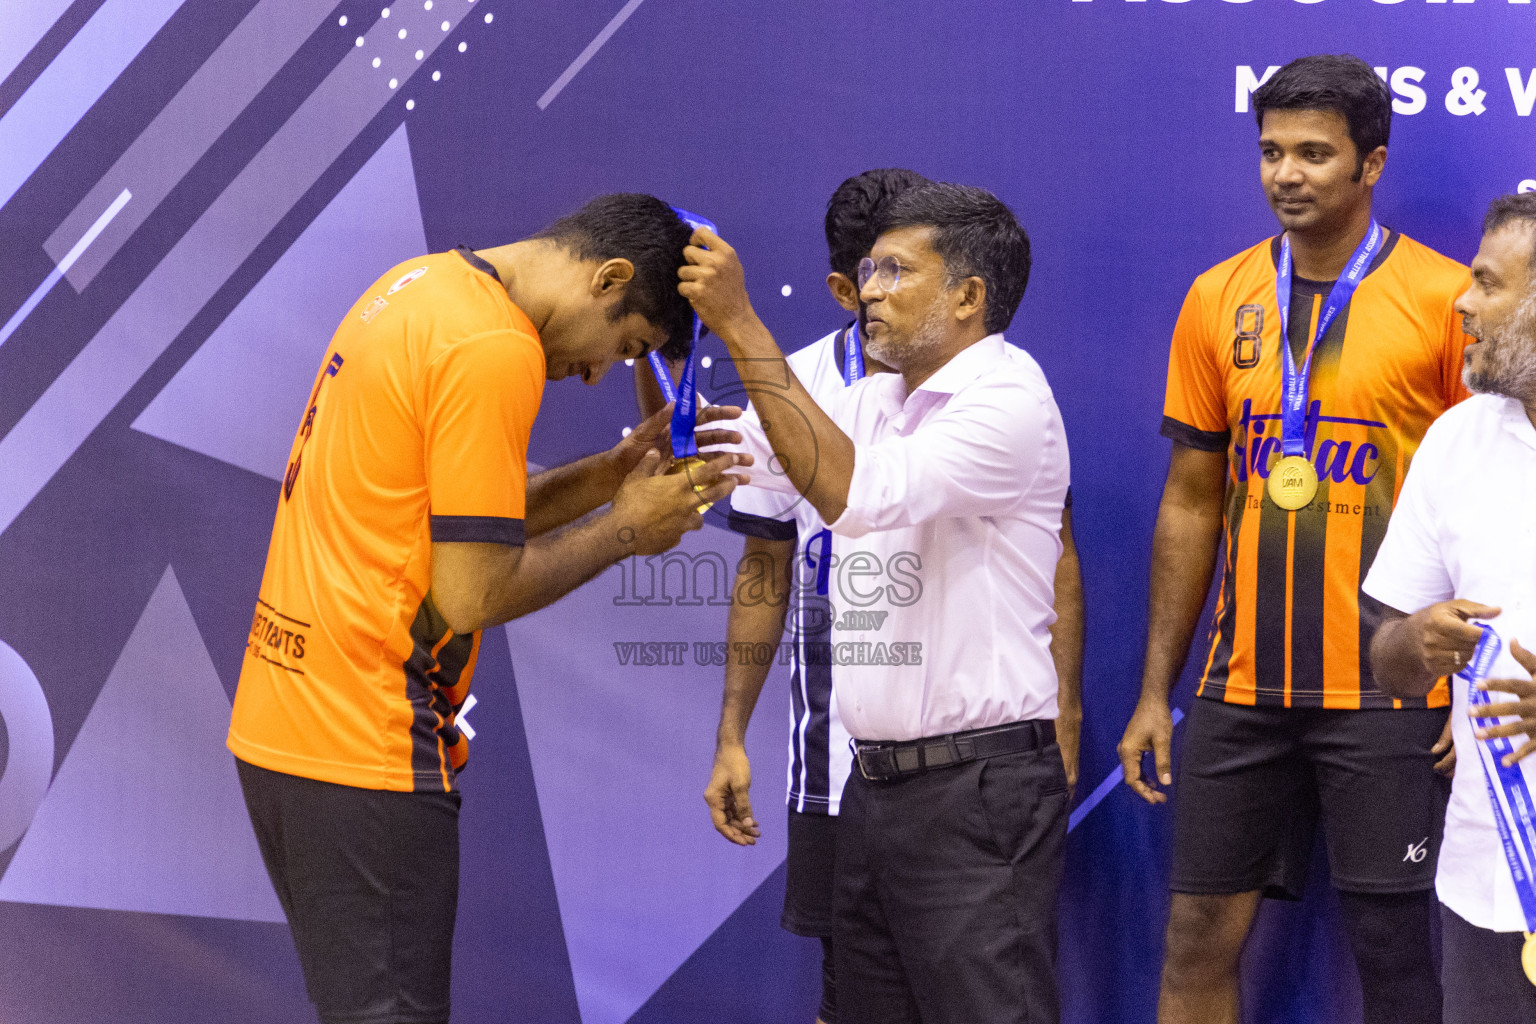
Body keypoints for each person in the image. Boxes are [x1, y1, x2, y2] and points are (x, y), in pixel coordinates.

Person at [227, 193, 750, 1024]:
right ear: (608, 277)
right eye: (625, 346)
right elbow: (468, 594)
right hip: (367, 738)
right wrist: (626, 530)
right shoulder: (496, 346)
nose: (594, 373)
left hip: (282, 727)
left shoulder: (418, 286)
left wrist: (614, 470)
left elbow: (439, 523)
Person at [1115, 54, 1471, 1024]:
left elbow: (1493, 501)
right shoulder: (1216, 296)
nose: (1288, 174)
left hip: (1392, 688)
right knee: (1194, 936)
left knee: (1394, 951)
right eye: (1272, 151)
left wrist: (1471, 684)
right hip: (1241, 686)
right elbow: (1190, 500)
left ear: (1373, 164)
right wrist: (1158, 688)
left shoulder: (1447, 301)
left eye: (1315, 153)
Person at [697, 169, 1085, 1024]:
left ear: (968, 297)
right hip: (871, 792)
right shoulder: (877, 399)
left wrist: (740, 322)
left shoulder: (1010, 400)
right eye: (867, 272)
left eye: (896, 273)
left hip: (977, 794)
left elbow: (856, 494)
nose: (869, 292)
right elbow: (734, 462)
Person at [1364, 191, 1536, 1024]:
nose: (1460, 302)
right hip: (1484, 880)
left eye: (1488, 284)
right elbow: (1387, 659)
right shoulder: (1457, 438)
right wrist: (1416, 644)